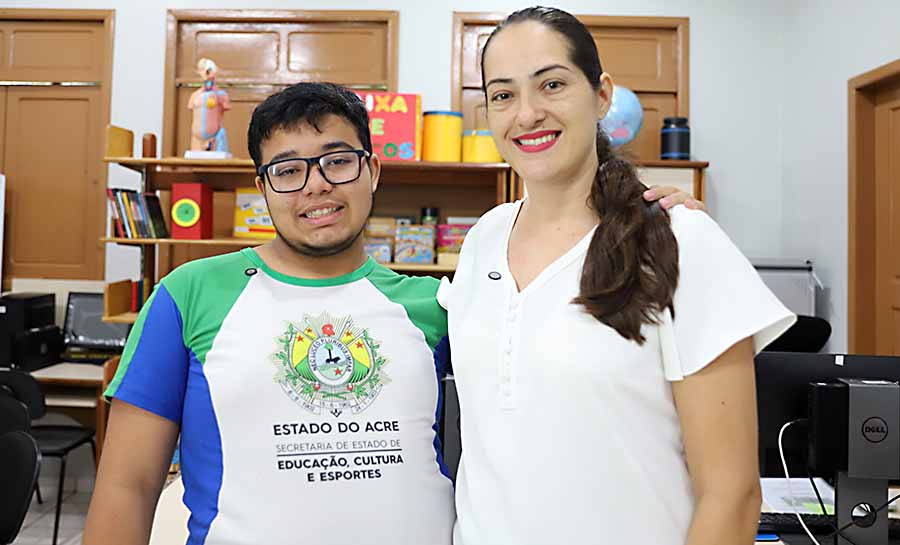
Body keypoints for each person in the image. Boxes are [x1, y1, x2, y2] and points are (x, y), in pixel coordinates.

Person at [82, 82, 701, 545]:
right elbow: (127, 485)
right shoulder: (189, 294)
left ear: (372, 170)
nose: (316, 185)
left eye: (337, 160)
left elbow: (565, 371)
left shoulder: (437, 304)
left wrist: (645, 221)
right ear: (263, 186)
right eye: (288, 170)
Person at [438, 7, 796, 545]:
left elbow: (733, 496)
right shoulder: (482, 240)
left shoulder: (682, 241)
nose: (527, 114)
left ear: (601, 95)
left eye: (552, 84)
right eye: (503, 94)